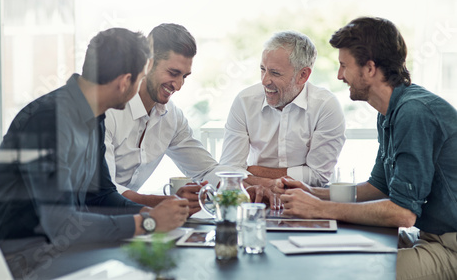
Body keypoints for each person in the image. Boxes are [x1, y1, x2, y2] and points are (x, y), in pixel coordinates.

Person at [0, 28, 189, 278]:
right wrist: (148, 224)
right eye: (141, 77)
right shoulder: (48, 120)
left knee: (166, 263)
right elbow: (60, 223)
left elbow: (101, 195)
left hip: (61, 248)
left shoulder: (95, 115)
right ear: (124, 82)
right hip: (19, 261)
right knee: (151, 268)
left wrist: (147, 213)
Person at [278, 17, 457, 280]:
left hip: (448, 246)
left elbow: (402, 213)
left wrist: (318, 208)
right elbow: (378, 187)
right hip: (428, 236)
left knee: (350, 271)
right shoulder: (390, 112)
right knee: (330, 253)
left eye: (343, 66)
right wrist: (313, 192)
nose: (340, 76)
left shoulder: (414, 113)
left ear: (370, 68)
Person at [105, 23, 245, 215]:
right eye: (173, 73)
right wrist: (169, 202)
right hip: (90, 220)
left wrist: (241, 188)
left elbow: (205, 170)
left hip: (133, 221)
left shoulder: (172, 117)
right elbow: (104, 191)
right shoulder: (108, 110)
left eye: (185, 77)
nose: (178, 85)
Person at [219, 30, 346, 197]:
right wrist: (268, 184)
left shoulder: (326, 106)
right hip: (257, 197)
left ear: (303, 75)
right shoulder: (245, 101)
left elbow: (318, 176)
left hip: (308, 200)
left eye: (275, 73)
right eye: (263, 69)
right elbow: (229, 171)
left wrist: (253, 171)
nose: (264, 80)